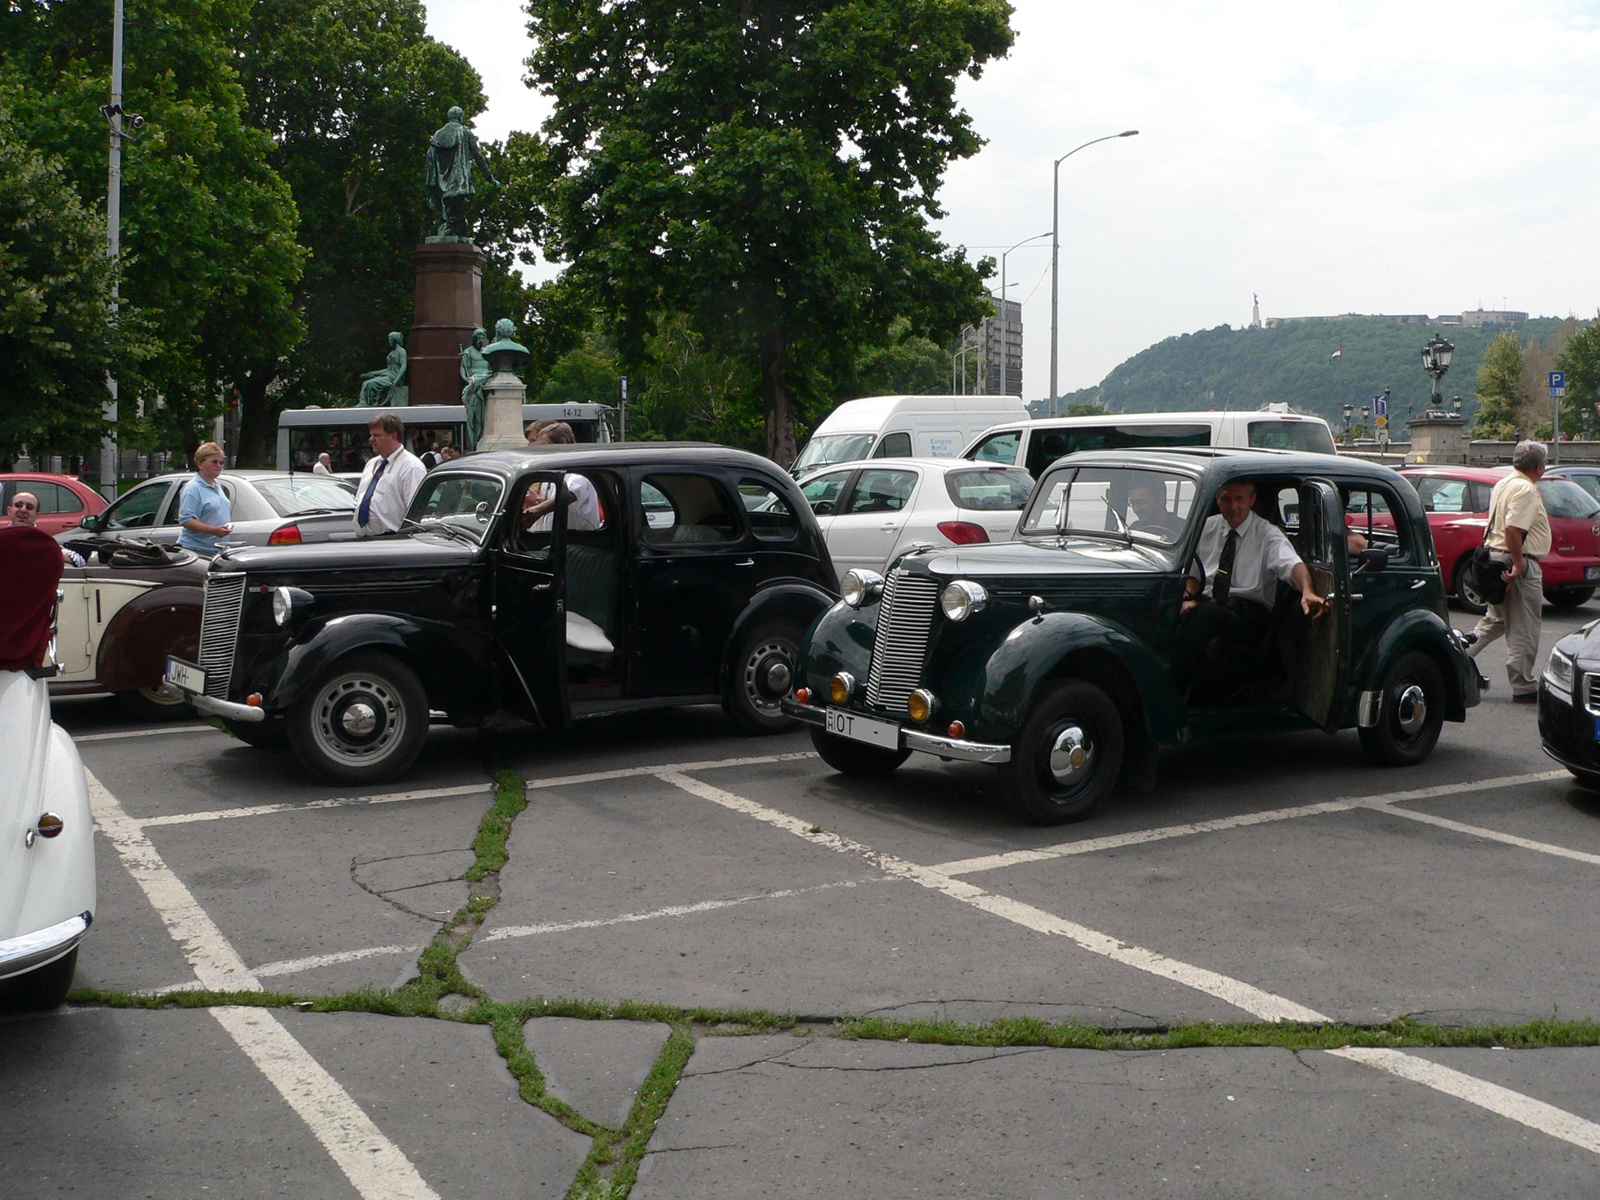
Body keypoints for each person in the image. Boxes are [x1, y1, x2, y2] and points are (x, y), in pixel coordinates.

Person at [1174, 478, 1327, 698]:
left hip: (1249, 617)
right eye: (1226, 499)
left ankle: (1172, 692)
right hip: (1209, 607)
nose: (1233, 506)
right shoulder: (1206, 528)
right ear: (1217, 500)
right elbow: (1193, 574)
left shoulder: (1267, 534)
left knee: (1208, 614)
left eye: (1239, 499)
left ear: (1252, 500)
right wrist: (1188, 598)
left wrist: (1308, 591)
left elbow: (1292, 565)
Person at [1468, 441, 1551, 703]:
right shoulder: (1526, 488)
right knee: (1524, 626)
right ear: (1539, 466)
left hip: (1494, 556)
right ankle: (1523, 685)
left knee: (1495, 619)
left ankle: (1460, 654)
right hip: (1515, 560)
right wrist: (1518, 563)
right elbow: (1513, 529)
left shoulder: (1503, 483)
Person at [352, 413, 426, 537]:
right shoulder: (372, 464)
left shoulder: (411, 467)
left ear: (393, 436)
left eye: (377, 435)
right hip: (364, 541)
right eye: (371, 435)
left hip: (392, 541)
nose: (371, 439)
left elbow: (416, 514)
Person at [522, 422, 601, 532]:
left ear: (563, 444)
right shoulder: (552, 470)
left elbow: (569, 494)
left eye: (545, 446)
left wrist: (537, 509)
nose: (541, 451)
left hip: (575, 542)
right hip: (547, 539)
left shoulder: (579, 469)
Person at [177, 443, 233, 558]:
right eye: (214, 462)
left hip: (217, 551)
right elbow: (186, 520)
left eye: (221, 462)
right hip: (196, 552)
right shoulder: (192, 488)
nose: (219, 466)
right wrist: (214, 530)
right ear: (200, 464)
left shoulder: (217, 485)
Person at [6, 493, 84, 565]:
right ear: (9, 511)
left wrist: (46, 552)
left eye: (29, 507)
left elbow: (80, 560)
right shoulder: (3, 536)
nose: (23, 510)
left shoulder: (43, 540)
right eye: (18, 505)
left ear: (36, 515)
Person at [359, 332, 407, 407]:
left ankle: (365, 404)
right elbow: (388, 369)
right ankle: (364, 403)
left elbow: (403, 366)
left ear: (395, 340)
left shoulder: (401, 351)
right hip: (388, 375)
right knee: (366, 383)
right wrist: (372, 373)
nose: (389, 342)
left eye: (390, 340)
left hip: (393, 377)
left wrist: (396, 380)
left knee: (369, 384)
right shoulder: (392, 352)